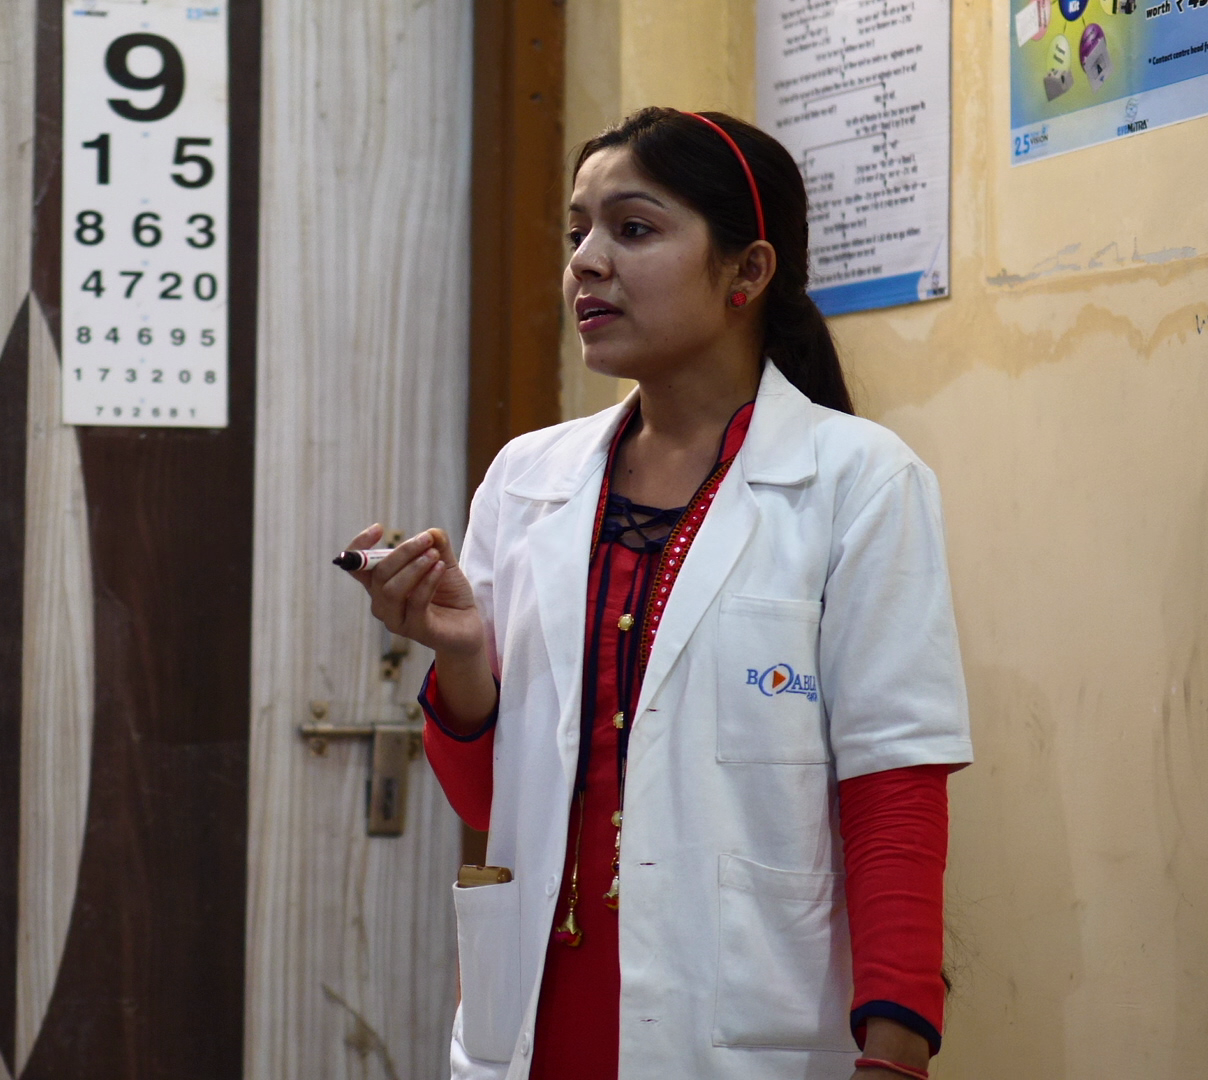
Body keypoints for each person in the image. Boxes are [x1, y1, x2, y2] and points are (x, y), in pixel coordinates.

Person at [343, 107, 972, 1080]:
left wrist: (894, 1054)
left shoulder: (859, 482)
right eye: (577, 231)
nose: (587, 262)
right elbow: (487, 797)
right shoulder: (526, 479)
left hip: (745, 1025)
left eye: (632, 229)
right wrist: (463, 659)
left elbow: (893, 799)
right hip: (539, 1021)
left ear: (747, 273)